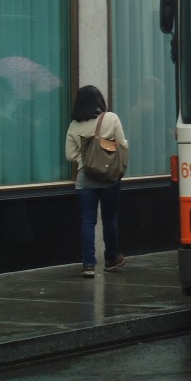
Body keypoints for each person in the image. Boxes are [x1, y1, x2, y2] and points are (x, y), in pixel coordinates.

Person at [64, 85, 129, 278]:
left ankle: (88, 264)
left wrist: (84, 160)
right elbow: (122, 144)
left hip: (85, 178)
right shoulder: (111, 118)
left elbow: (69, 155)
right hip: (109, 177)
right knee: (109, 218)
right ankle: (111, 258)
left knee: (87, 220)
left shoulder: (74, 125)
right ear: (99, 100)